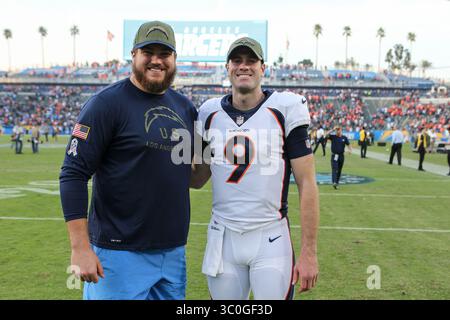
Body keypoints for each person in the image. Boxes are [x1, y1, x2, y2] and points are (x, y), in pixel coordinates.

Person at [59, 21, 197, 300]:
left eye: (164, 53)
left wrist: (218, 152)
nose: (157, 60)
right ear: (134, 55)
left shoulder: (185, 107)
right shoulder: (106, 104)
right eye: (149, 52)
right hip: (118, 253)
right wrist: (80, 247)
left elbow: (193, 178)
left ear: (174, 60)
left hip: (172, 253)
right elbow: (72, 174)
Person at [192, 37, 319, 300]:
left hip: (270, 237)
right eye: (237, 60)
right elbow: (197, 178)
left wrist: (309, 252)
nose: (244, 66)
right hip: (222, 237)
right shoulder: (208, 113)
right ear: (227, 67)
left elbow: (307, 184)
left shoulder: (285, 108)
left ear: (263, 68)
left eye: (251, 61)